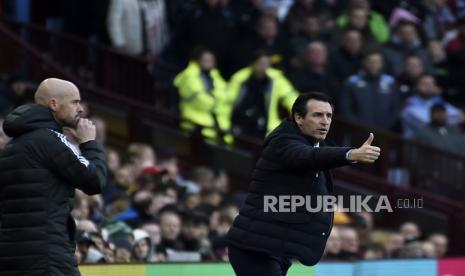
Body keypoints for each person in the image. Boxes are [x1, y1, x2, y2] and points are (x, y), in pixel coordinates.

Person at [227, 92, 381, 275]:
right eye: (317, 115)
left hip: (276, 249)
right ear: (298, 118)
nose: (325, 121)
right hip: (254, 248)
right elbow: (307, 157)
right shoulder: (282, 141)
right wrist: (350, 154)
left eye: (329, 115)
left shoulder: (317, 146)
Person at [0, 78, 107, 276]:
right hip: (47, 256)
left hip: (12, 256)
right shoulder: (49, 138)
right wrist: (90, 143)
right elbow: (94, 180)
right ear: (54, 104)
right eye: (75, 102)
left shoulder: (13, 145)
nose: (81, 109)